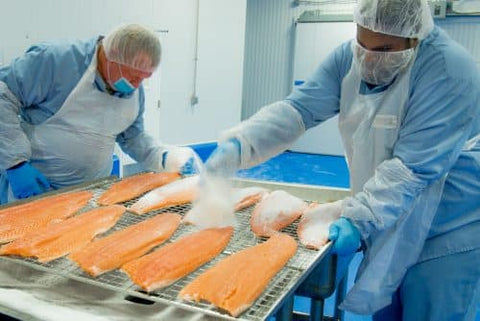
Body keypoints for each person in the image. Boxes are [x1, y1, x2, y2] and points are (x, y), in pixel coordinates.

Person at [204, 0, 480, 320]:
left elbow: (412, 169)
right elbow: (299, 110)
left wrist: (358, 218)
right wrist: (241, 145)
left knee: (428, 310)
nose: (370, 59)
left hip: (444, 227)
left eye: (386, 48)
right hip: (389, 212)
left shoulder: (450, 71)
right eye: (363, 42)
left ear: (414, 36)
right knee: (387, 311)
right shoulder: (348, 57)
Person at [0, 24, 200, 204]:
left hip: (91, 194)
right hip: (35, 189)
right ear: (112, 55)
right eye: (133, 76)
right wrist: (15, 164)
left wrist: (164, 157)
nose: (137, 85)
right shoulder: (58, 61)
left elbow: (133, 138)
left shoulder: (133, 90)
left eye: (144, 78)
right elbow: (3, 94)